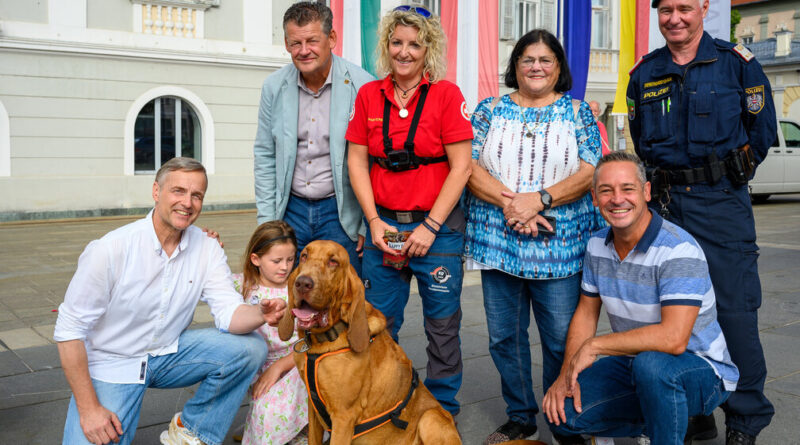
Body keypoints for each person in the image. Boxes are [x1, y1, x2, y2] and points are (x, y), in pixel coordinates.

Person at [54, 157, 286, 445]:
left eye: (196, 195)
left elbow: (229, 313)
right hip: (113, 362)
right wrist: (89, 410)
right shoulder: (110, 249)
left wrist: (259, 313)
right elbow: (69, 331)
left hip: (168, 353)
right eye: (178, 191)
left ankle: (191, 431)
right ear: (156, 191)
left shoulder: (207, 247)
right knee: (93, 436)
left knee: (250, 347)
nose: (187, 203)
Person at [627, 1, 776, 443]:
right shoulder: (644, 73)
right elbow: (640, 140)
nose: (675, 18)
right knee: (671, 313)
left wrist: (723, 177)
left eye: (685, 8)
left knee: (733, 312)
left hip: (721, 204)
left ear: (704, 8)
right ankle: (695, 407)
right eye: (666, 9)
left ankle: (745, 421)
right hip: (665, 207)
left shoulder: (738, 65)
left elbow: (762, 132)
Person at [542, 151, 739, 444]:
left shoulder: (677, 250)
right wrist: (565, 376)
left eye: (627, 188)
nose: (617, 199)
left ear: (646, 192)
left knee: (653, 367)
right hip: (635, 364)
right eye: (606, 191)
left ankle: (666, 429)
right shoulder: (596, 245)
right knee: (561, 411)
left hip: (701, 369)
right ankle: (658, 418)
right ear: (594, 197)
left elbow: (674, 339)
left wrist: (595, 345)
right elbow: (586, 314)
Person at [465, 29, 601, 445]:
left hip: (559, 249)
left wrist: (539, 200)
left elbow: (589, 171)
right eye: (528, 59)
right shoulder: (489, 109)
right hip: (498, 243)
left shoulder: (577, 112)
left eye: (545, 60)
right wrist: (515, 206)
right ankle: (521, 416)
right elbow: (468, 167)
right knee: (505, 339)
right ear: (516, 65)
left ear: (558, 67)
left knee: (561, 341)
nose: (536, 67)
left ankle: (563, 419)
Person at [345, 5, 473, 417]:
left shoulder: (446, 95)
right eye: (397, 42)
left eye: (414, 44)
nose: (404, 52)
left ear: (427, 49)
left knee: (442, 326)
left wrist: (431, 226)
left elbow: (462, 167)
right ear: (386, 45)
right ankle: (382, 403)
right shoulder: (369, 94)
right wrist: (373, 221)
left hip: (437, 230)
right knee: (377, 323)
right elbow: (356, 161)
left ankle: (441, 409)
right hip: (385, 227)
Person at [253, 1, 374, 275]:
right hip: (290, 211)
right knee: (288, 293)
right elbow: (265, 155)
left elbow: (374, 162)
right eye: (296, 43)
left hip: (342, 214)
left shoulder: (363, 86)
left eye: (312, 41)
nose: (304, 50)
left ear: (331, 38)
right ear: (286, 44)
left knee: (341, 294)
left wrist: (367, 223)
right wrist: (267, 222)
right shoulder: (273, 87)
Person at [234, 221, 308, 445]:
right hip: (259, 364)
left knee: (270, 411)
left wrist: (279, 366)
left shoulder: (300, 290)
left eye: (290, 259)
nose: (285, 267)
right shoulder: (241, 285)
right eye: (276, 261)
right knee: (266, 412)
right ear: (255, 259)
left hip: (296, 363)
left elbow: (312, 342)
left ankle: (302, 434)